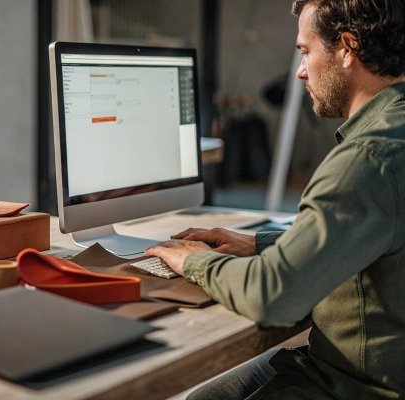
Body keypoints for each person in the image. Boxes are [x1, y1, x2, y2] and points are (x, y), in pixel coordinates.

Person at [146, 0, 405, 399]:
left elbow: (273, 296)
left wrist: (193, 260)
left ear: (347, 48)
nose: (301, 71)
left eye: (305, 51)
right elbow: (373, 234)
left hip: (356, 387)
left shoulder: (367, 160)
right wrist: (257, 242)